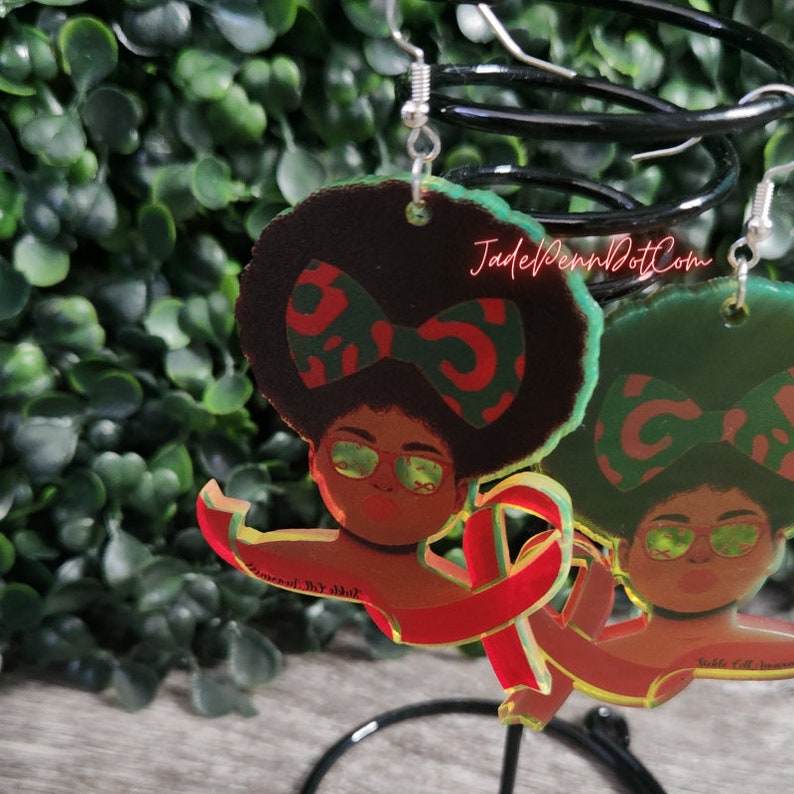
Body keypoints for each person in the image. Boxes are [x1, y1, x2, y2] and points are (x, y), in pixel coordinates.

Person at [197, 176, 602, 688]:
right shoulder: (268, 555)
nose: (384, 480)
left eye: (420, 469)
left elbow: (501, 607)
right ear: (315, 459)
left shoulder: (459, 602)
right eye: (353, 457)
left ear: (460, 492)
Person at [500, 277, 794, 728]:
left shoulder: (779, 652)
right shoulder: (602, 655)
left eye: (735, 535)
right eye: (668, 538)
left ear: (776, 546)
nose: (700, 553)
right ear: (623, 551)